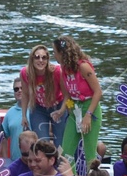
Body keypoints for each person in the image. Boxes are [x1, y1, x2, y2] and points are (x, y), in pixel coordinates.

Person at [53, 34, 102, 163]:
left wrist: (88, 115)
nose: (53, 55)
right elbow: (67, 96)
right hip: (75, 110)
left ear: (62, 53)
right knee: (65, 151)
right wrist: (63, 110)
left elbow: (98, 92)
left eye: (55, 52)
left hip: (90, 109)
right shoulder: (63, 70)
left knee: (89, 152)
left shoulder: (83, 67)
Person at [20, 43, 69, 142]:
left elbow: (67, 95)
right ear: (32, 59)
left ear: (48, 59)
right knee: (42, 142)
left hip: (58, 106)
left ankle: (59, 157)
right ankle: (44, 157)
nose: (40, 60)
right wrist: (24, 115)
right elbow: (25, 94)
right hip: (38, 108)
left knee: (60, 142)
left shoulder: (56, 71)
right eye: (37, 57)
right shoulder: (25, 73)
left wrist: (62, 111)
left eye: (44, 57)